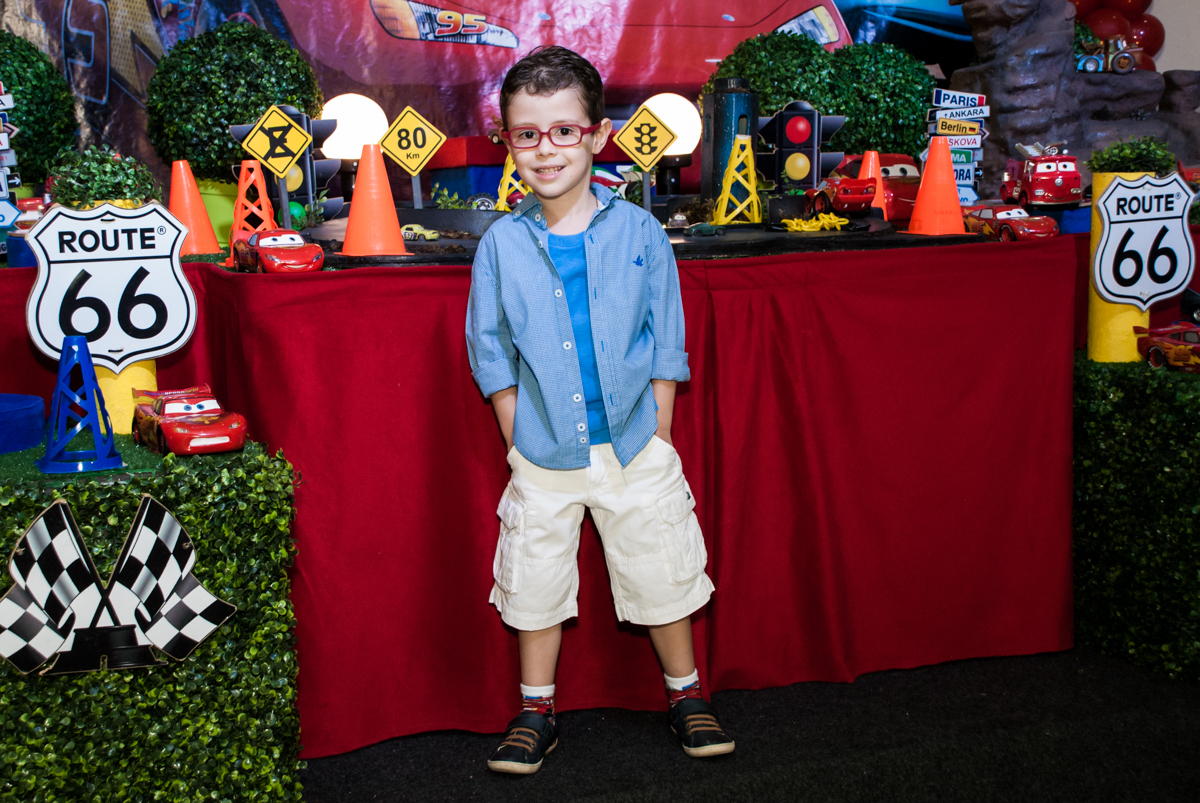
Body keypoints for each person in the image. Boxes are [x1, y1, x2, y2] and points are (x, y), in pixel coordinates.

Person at [465, 45, 734, 775]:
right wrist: (517, 434)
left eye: (561, 130)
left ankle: (685, 693)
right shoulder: (501, 245)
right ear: (509, 143)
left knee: (661, 563)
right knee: (534, 575)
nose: (544, 149)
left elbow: (666, 340)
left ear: (593, 133)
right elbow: (489, 351)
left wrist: (659, 431)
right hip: (544, 448)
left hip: (634, 442)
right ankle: (536, 708)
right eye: (527, 133)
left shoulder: (641, 232)